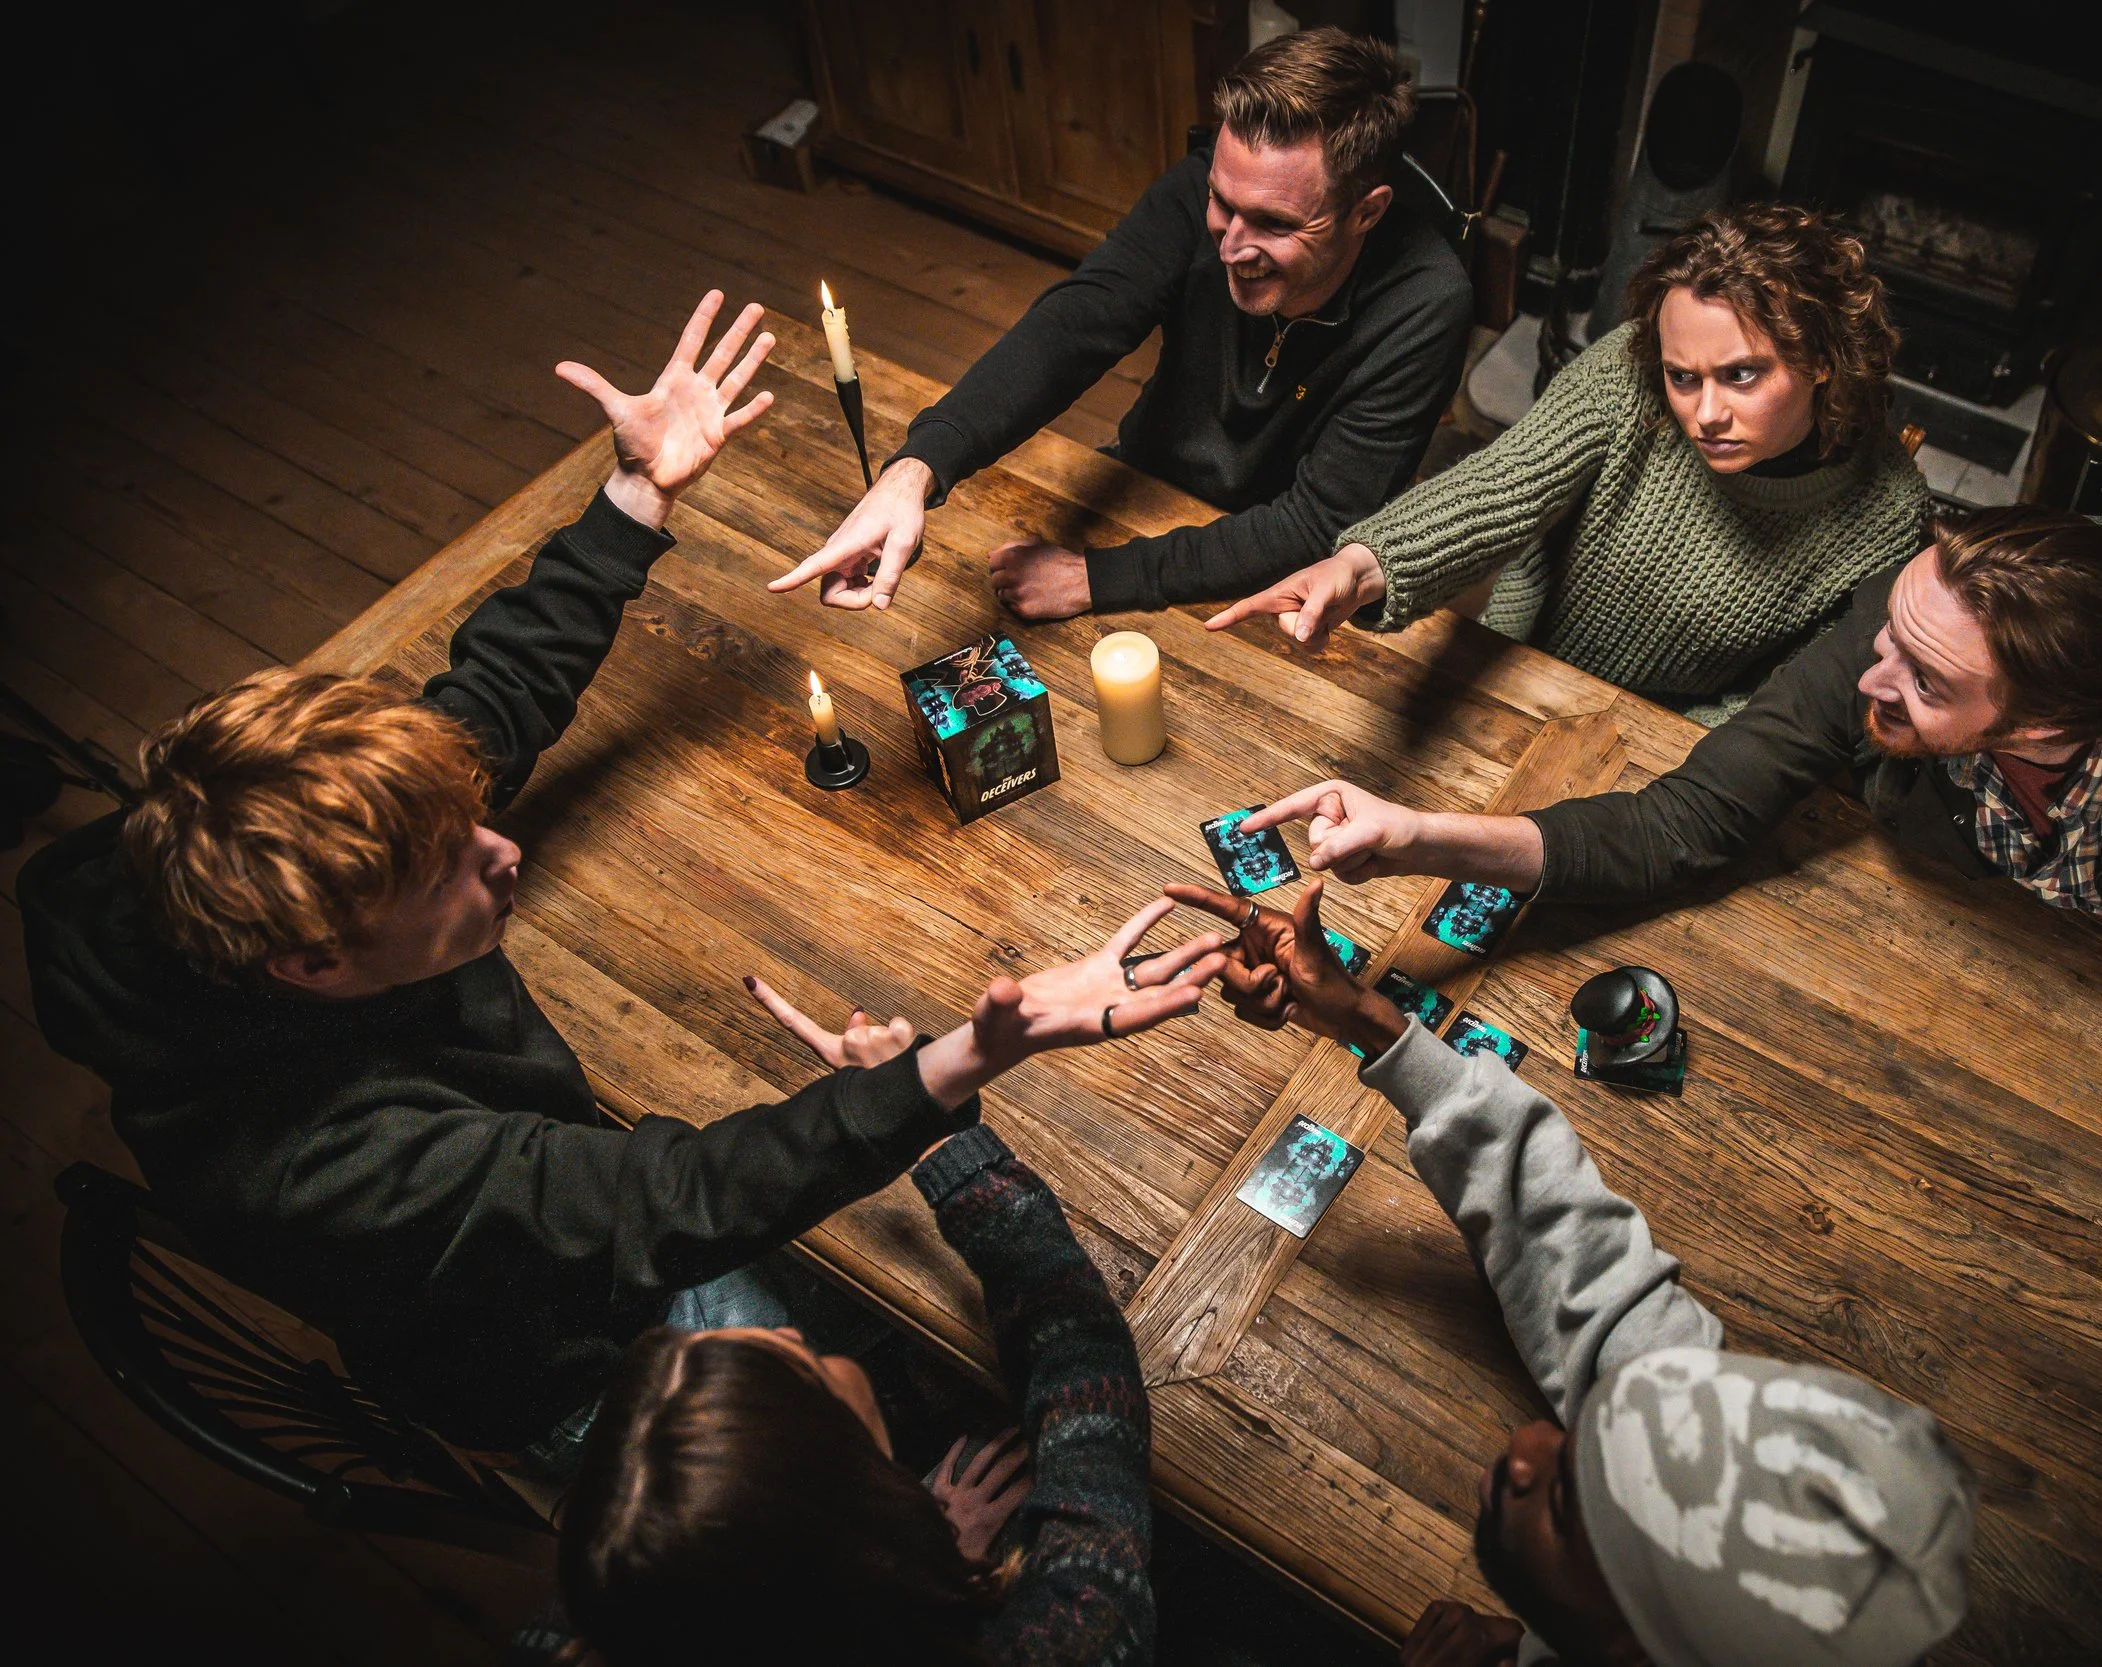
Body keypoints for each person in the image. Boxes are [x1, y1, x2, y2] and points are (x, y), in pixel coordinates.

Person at [16, 289, 1229, 1458]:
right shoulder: (331, 1171)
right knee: (874, 1403)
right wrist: (979, 1047)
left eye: (466, 824)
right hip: (567, 1358)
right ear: (315, 959)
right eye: (449, 872)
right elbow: (670, 1197)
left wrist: (635, 494)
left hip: (545, 1154)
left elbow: (483, 708)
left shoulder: (263, 859)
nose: (502, 847)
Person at [1168, 880, 1976, 1667]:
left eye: (1565, 1503)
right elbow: (1569, 1244)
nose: (1528, 1447)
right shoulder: (1691, 1452)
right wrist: (1369, 1020)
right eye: (1591, 1427)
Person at [1236, 506, 2102, 1008]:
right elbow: (1677, 825)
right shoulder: (1912, 618)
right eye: (1888, 637)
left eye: (1924, 683)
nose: (1870, 680)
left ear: (2040, 729)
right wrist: (1417, 833)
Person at [769, 26, 1473, 622]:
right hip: (1141, 488)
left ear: (1367, 212)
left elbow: (1315, 525)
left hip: (1292, 585)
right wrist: (916, 469)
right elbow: (1075, 325)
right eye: (1223, 202)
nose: (1229, 245)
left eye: (1274, 224)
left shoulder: (1427, 301)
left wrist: (1098, 579)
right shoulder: (1198, 192)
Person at [1210, 203, 1931, 719]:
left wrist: (1659, 740)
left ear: (1825, 358)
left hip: (1675, 734)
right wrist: (1361, 565)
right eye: (1685, 377)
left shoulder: (1886, 511)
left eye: (1742, 374)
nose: (1705, 413)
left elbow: (1791, 695)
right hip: (1519, 656)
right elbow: (1502, 485)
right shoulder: (1627, 368)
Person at [556, 1119, 1154, 1666]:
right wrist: (950, 1152)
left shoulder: (615, 1622)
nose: (790, 1333)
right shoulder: (1072, 1637)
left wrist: (918, 1560)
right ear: (853, 1485)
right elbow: (1087, 1379)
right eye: (808, 1370)